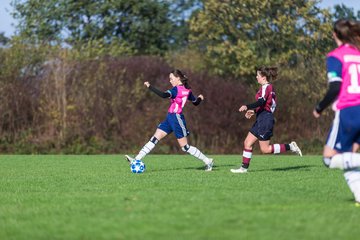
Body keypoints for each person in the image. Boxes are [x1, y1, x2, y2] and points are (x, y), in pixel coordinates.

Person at [125, 69, 214, 171]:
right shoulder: (187, 90)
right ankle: (136, 159)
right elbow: (195, 102)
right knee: (155, 138)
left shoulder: (176, 90)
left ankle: (208, 161)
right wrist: (200, 98)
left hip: (176, 119)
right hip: (170, 118)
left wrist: (150, 86)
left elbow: (163, 95)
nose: (170, 81)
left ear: (178, 78)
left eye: (171, 79)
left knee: (185, 147)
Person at [313, 19, 360, 206]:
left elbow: (335, 87)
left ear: (335, 35)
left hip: (349, 110)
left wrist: (319, 107)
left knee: (329, 158)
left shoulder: (336, 56)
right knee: (349, 157)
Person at [231, 66, 302, 173]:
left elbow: (261, 102)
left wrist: (247, 106)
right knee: (247, 143)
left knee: (265, 149)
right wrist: (254, 111)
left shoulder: (267, 87)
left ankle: (290, 146)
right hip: (261, 117)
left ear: (263, 77)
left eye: (258, 75)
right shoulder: (264, 88)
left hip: (265, 119)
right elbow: (265, 105)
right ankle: (243, 169)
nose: (256, 77)